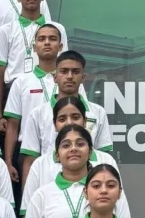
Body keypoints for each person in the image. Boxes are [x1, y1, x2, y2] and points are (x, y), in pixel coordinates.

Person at [0, 0, 69, 135]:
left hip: (51, 92)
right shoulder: (5, 31)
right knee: (19, 152)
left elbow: (64, 68)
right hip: (14, 94)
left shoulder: (57, 29)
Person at [20, 58, 114, 187]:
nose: (70, 76)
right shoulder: (38, 113)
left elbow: (104, 156)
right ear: (55, 76)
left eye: (75, 72)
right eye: (64, 71)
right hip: (49, 181)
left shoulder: (98, 112)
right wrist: (28, 199)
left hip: (91, 184)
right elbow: (30, 160)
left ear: (83, 77)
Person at [1, 23, 70, 180]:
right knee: (29, 200)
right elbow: (13, 125)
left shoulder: (70, 80)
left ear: (60, 46)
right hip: (28, 153)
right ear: (34, 46)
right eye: (42, 39)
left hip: (65, 148)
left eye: (52, 39)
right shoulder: (21, 82)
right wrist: (8, 161)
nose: (47, 43)